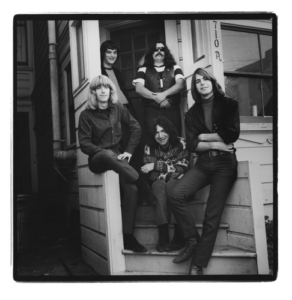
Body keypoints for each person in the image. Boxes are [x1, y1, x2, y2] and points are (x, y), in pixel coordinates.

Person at [166, 68, 240, 275]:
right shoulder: (191, 113)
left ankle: (197, 264)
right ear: (195, 87)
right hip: (203, 164)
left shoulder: (229, 105)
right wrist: (216, 143)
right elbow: (191, 145)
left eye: (205, 79)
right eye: (197, 81)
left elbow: (231, 134)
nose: (202, 83)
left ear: (212, 82)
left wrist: (203, 137)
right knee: (175, 193)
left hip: (225, 166)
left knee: (211, 215)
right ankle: (191, 239)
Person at [78, 75, 156, 253]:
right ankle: (141, 182)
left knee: (131, 190)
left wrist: (128, 151)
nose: (103, 91)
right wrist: (105, 153)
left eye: (107, 87)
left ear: (111, 90)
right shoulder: (86, 115)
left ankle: (128, 237)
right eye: (99, 88)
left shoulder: (118, 108)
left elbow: (135, 127)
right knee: (107, 153)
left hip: (118, 157)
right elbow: (84, 144)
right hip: (98, 159)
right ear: (93, 92)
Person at [141, 116, 189, 252]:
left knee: (172, 185)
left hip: (179, 184)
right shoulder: (148, 148)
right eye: (156, 132)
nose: (160, 136)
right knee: (157, 185)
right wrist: (168, 169)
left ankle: (179, 232)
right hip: (161, 183)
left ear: (169, 131)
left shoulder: (181, 143)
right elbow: (151, 175)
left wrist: (156, 165)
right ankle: (163, 233)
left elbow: (182, 170)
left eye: (163, 131)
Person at [100, 40, 142, 171]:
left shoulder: (117, 72)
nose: (112, 55)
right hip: (114, 111)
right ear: (103, 53)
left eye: (114, 52)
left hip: (126, 108)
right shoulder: (99, 71)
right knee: (122, 143)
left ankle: (137, 174)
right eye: (109, 52)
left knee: (135, 139)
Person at [132, 41, 185, 140]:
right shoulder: (143, 69)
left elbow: (180, 84)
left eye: (162, 49)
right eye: (155, 50)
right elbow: (139, 88)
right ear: (151, 53)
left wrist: (164, 94)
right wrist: (157, 98)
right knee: (153, 138)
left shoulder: (175, 67)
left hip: (172, 110)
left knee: (174, 137)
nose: (159, 51)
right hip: (152, 112)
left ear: (166, 52)